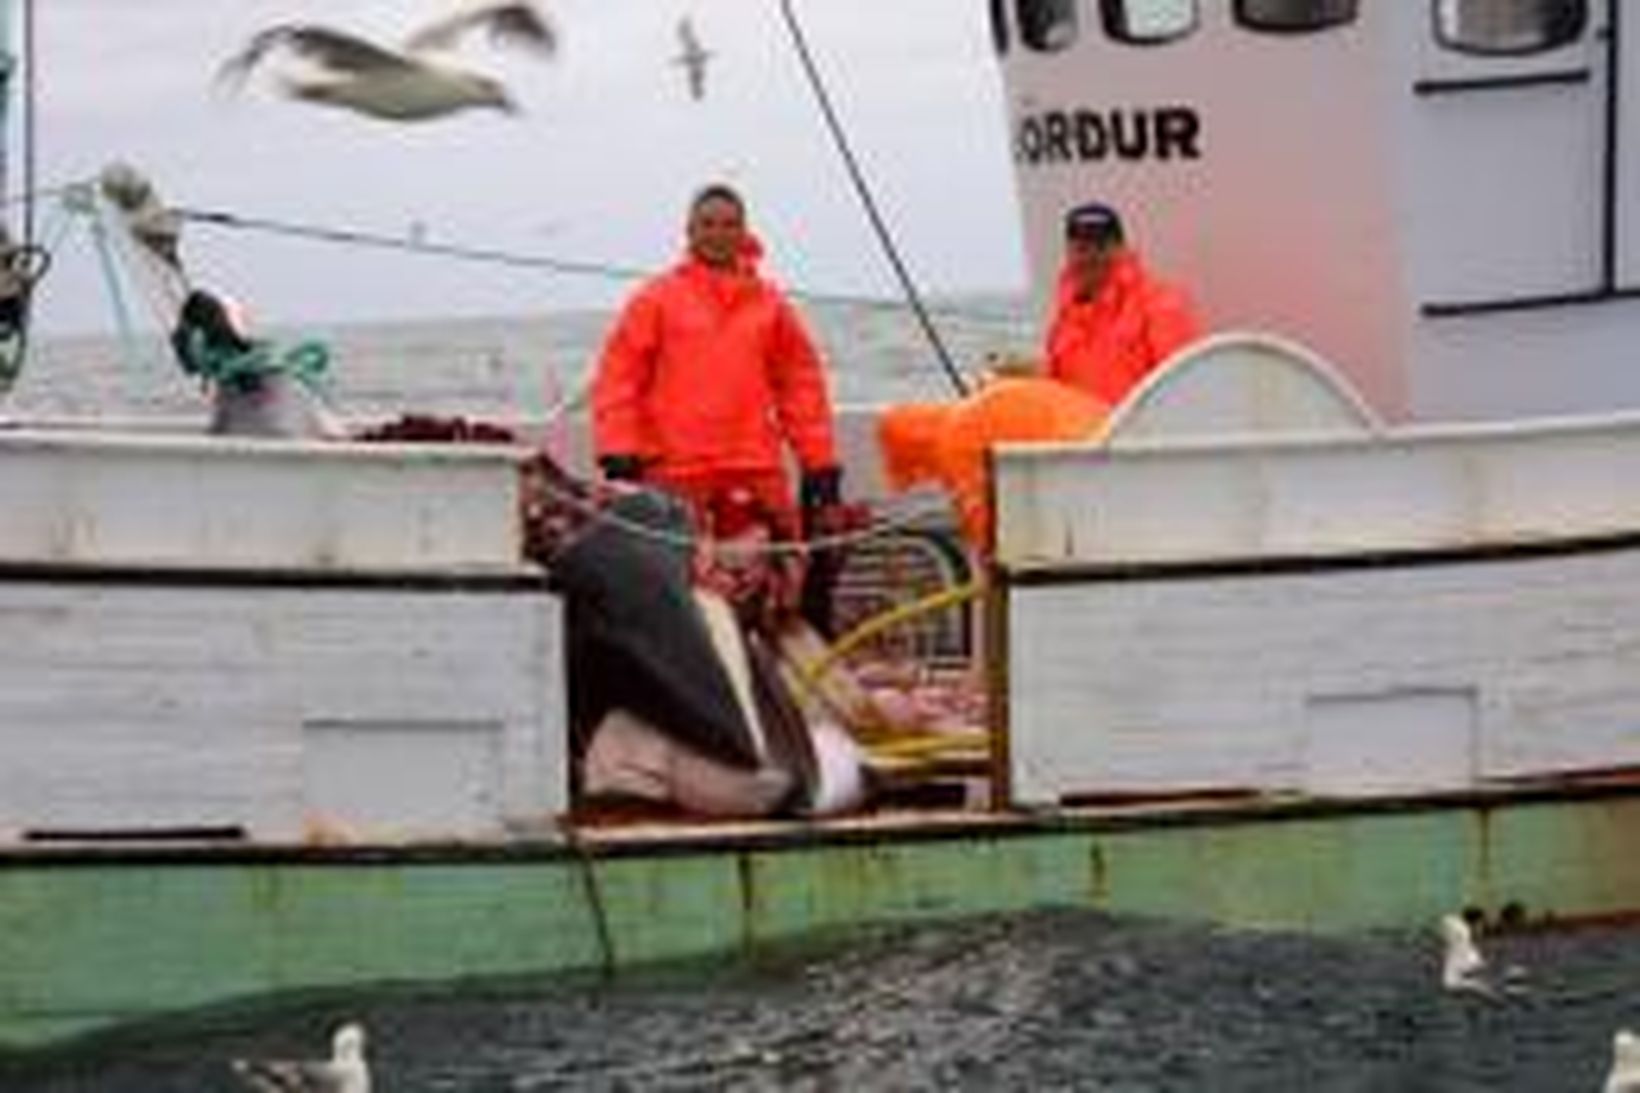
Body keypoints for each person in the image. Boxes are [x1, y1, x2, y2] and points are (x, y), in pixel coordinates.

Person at [591, 183, 843, 547]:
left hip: (756, 473)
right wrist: (618, 451)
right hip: (675, 475)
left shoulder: (771, 305)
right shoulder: (655, 299)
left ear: (744, 233)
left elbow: (800, 387)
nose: (718, 234)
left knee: (773, 586)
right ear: (690, 232)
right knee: (681, 593)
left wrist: (819, 463)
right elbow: (619, 379)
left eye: (729, 225)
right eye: (707, 224)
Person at [1043, 201, 1202, 409]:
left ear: (1121, 248)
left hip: (1143, 437)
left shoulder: (1162, 304)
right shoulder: (1064, 319)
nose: (1091, 257)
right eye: (1081, 248)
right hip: (1083, 436)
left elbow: (1185, 387)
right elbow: (1057, 390)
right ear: (1069, 253)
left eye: (1101, 246)